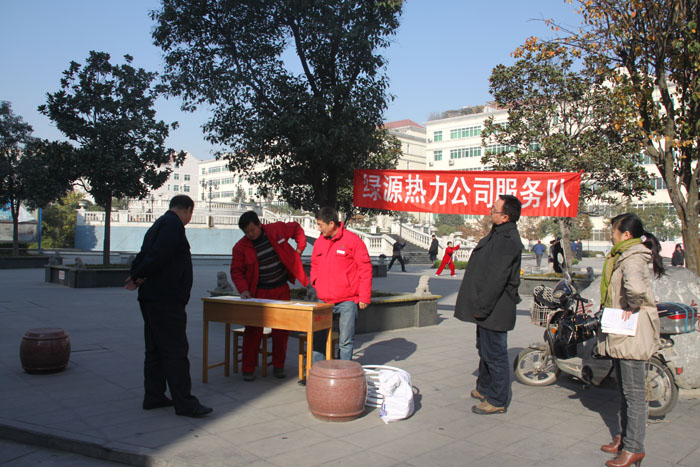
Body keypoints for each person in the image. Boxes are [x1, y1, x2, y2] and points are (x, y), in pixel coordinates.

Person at [125, 195, 212, 418]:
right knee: (175, 351)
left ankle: (154, 395)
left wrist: (136, 274)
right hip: (166, 299)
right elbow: (158, 256)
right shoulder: (173, 225)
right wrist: (138, 275)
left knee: (155, 348)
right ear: (188, 210)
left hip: (152, 297)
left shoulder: (158, 224)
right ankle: (185, 402)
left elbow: (145, 254)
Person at [598, 213, 664, 467]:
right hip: (622, 330)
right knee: (625, 391)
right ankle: (625, 438)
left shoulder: (633, 257)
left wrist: (632, 305)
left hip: (632, 332)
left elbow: (635, 289)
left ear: (626, 234)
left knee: (634, 393)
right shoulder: (624, 255)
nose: (611, 236)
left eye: (613, 231)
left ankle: (634, 448)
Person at [454, 194, 523, 415]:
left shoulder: (508, 241)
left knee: (495, 355)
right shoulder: (498, 233)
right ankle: (484, 388)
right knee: (484, 350)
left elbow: (496, 279)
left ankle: (497, 399)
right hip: (487, 307)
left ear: (505, 217)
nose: (490, 212)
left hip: (495, 308)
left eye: (494, 210)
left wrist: (482, 308)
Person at [230, 211, 308, 381]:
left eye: (252, 230)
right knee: (253, 330)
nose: (250, 234)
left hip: (280, 289)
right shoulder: (240, 247)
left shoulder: (276, 229)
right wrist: (243, 290)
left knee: (281, 330)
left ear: (259, 224)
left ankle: (279, 366)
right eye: (246, 232)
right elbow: (236, 271)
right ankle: (248, 368)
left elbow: (297, 229)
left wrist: (299, 250)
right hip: (258, 293)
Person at [310, 207, 372, 363]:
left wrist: (364, 297)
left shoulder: (352, 241)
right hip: (324, 300)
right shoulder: (319, 242)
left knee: (345, 341)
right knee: (318, 339)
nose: (318, 228)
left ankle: (344, 372)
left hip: (347, 301)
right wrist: (316, 281)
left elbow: (365, 268)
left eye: (320, 225)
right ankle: (318, 371)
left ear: (331, 224)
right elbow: (314, 264)